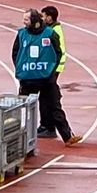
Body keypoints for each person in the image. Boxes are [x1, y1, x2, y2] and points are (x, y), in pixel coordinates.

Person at [12, 9, 81, 146]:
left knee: (55, 106)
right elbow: (15, 53)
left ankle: (67, 136)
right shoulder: (21, 34)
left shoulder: (50, 34)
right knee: (23, 108)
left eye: (26, 19)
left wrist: (51, 71)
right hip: (28, 80)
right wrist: (21, 70)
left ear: (35, 21)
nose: (23, 22)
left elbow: (58, 52)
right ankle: (18, 139)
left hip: (46, 79)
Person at [40, 5, 77, 142]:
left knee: (50, 99)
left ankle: (52, 128)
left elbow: (56, 52)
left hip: (52, 70)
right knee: (46, 98)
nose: (42, 18)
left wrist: (51, 69)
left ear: (49, 17)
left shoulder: (53, 31)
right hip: (51, 69)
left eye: (43, 16)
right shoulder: (52, 29)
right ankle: (48, 126)